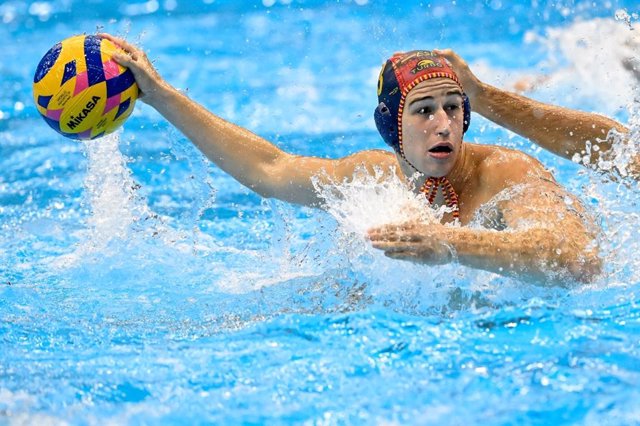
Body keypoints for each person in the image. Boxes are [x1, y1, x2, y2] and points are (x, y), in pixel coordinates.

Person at [100, 34, 602, 285]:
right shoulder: (373, 175)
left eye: (453, 107)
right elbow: (268, 170)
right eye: (424, 111)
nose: (444, 123)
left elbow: (577, 259)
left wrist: (449, 243)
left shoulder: (506, 173)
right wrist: (160, 96)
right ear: (391, 127)